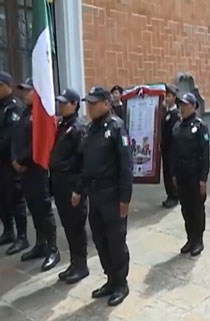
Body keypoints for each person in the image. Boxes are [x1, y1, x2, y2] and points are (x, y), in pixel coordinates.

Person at [75, 86, 133, 306]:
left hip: (113, 195)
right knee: (99, 239)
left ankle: (121, 283)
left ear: (107, 104)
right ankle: (110, 279)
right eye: (87, 103)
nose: (89, 108)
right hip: (95, 194)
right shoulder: (91, 129)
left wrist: (125, 199)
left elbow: (126, 166)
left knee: (116, 241)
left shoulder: (117, 128)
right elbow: (85, 164)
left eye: (93, 103)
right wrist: (79, 189)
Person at [12, 79, 59, 271]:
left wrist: (21, 160)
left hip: (36, 168)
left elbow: (39, 144)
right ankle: (40, 244)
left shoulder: (42, 115)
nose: (24, 94)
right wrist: (15, 158)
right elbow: (16, 140)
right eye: (22, 91)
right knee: (33, 207)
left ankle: (53, 249)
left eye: (28, 91)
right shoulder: (24, 113)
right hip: (23, 170)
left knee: (43, 209)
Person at [50, 89, 89, 284]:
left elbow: (84, 163)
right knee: (67, 225)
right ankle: (74, 263)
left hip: (72, 185)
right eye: (60, 102)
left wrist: (78, 190)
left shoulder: (78, 128)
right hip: (59, 184)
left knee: (76, 226)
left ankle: (81, 265)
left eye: (65, 103)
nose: (60, 105)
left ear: (74, 104)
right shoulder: (62, 125)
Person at [171, 93, 210, 256]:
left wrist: (203, 179)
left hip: (195, 175)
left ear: (194, 106)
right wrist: (173, 174)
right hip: (181, 176)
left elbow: (205, 154)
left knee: (197, 209)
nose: (182, 108)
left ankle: (198, 240)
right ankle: (190, 238)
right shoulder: (178, 126)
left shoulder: (200, 126)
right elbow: (173, 152)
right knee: (185, 209)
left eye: (186, 105)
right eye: (181, 104)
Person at [0, 72, 28, 256]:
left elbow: (9, 138)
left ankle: (22, 236)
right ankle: (8, 231)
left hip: (10, 161)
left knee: (15, 199)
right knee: (1, 199)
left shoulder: (15, 107)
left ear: (7, 86)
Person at [161, 84, 181, 208]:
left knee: (171, 172)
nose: (166, 99)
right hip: (165, 148)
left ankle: (174, 195)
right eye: (165, 96)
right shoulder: (166, 113)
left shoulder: (176, 115)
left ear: (174, 98)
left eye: (168, 96)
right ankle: (170, 194)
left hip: (172, 149)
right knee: (166, 172)